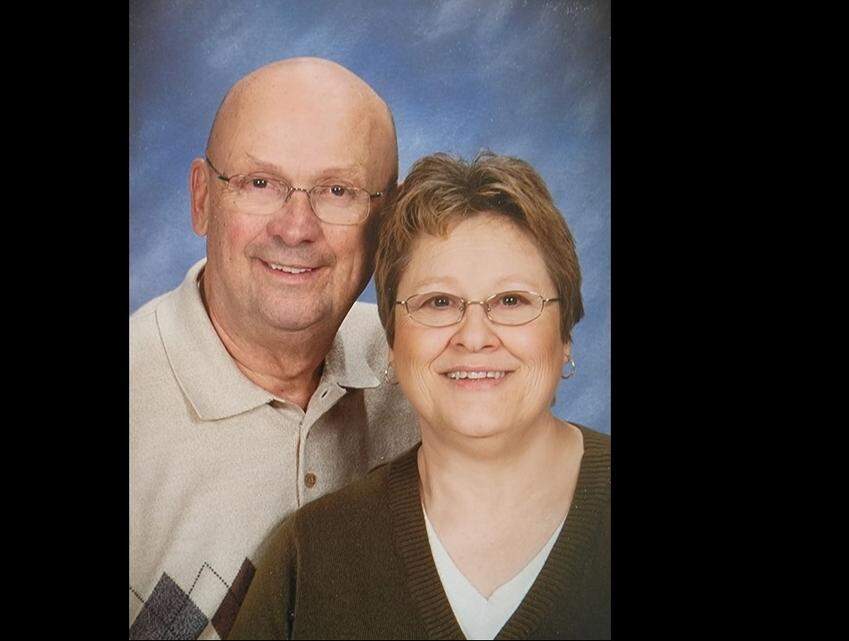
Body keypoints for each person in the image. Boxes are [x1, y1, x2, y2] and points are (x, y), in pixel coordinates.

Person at [230, 151, 610, 640]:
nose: (474, 336)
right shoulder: (314, 555)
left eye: (512, 301)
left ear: (565, 337)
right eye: (438, 302)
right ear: (392, 341)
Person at [129, 58, 420, 639]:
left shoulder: (424, 377)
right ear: (201, 199)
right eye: (260, 183)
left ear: (387, 221)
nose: (296, 227)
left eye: (338, 190)